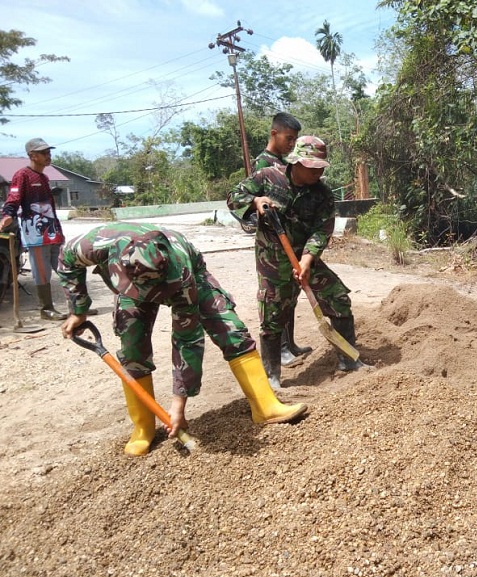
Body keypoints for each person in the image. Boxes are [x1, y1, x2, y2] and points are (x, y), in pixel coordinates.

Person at [57, 222, 308, 457]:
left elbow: (187, 340)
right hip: (130, 282)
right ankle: (143, 426)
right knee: (132, 345)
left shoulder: (182, 275)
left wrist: (179, 405)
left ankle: (265, 405)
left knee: (230, 328)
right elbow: (66, 260)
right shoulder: (96, 244)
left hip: (189, 276)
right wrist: (78, 310)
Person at [227, 135, 369, 386]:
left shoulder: (322, 194)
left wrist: (306, 260)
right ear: (297, 163)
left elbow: (321, 230)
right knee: (272, 315)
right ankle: (272, 377)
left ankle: (349, 360)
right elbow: (233, 197)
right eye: (312, 166)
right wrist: (255, 201)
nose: (317, 172)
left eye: (320, 167)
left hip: (305, 258)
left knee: (338, 298)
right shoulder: (268, 177)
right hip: (272, 259)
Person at [250, 112, 312, 368]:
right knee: (275, 300)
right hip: (273, 248)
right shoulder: (263, 164)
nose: (291, 143)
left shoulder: (286, 161)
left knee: (291, 296)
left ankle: (291, 344)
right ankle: (281, 350)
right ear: (274, 133)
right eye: (288, 138)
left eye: (295, 139)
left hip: (292, 244)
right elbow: (257, 203)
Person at [0, 137, 67, 320]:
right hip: (35, 233)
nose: (48, 155)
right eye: (44, 153)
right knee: (42, 271)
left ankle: (78, 306)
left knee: (66, 266)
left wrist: (58, 230)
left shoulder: (44, 177)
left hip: (53, 231)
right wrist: (7, 216)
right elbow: (13, 199)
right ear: (32, 155)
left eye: (49, 152)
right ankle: (46, 309)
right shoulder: (22, 175)